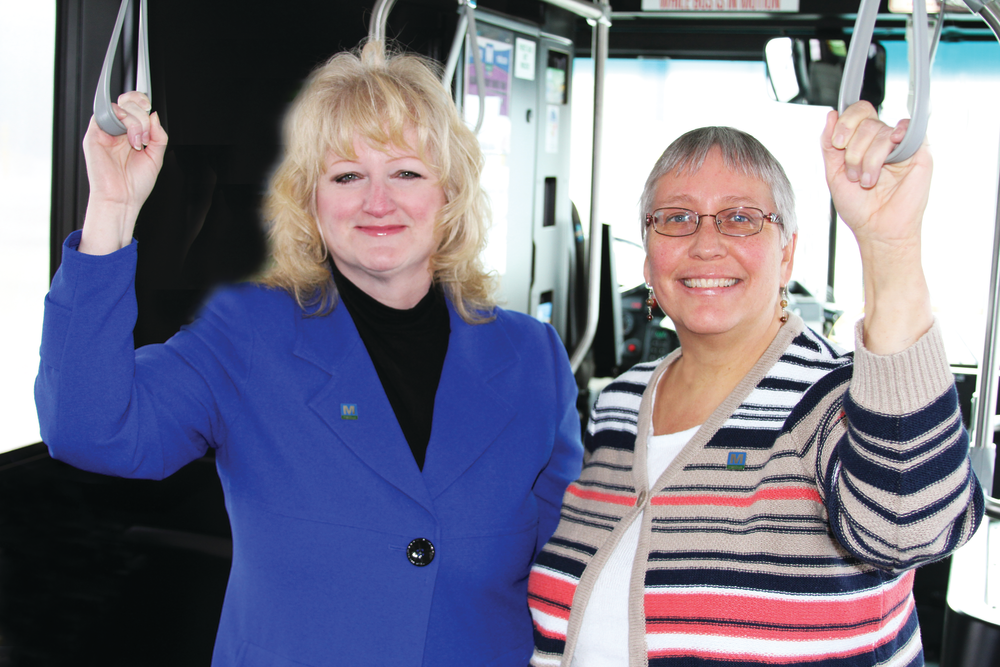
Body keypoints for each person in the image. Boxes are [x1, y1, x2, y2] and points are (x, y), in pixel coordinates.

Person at [35, 41, 583, 666]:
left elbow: (568, 567)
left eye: (406, 172)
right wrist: (112, 207)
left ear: (450, 193)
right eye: (347, 176)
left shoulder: (532, 357)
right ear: (311, 200)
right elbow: (88, 428)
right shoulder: (246, 335)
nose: (378, 201)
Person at [527, 103, 985, 667]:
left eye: (740, 218)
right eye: (676, 218)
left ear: (786, 253)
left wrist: (890, 247)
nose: (706, 243)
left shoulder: (835, 403)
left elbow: (910, 527)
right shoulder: (619, 405)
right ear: (648, 260)